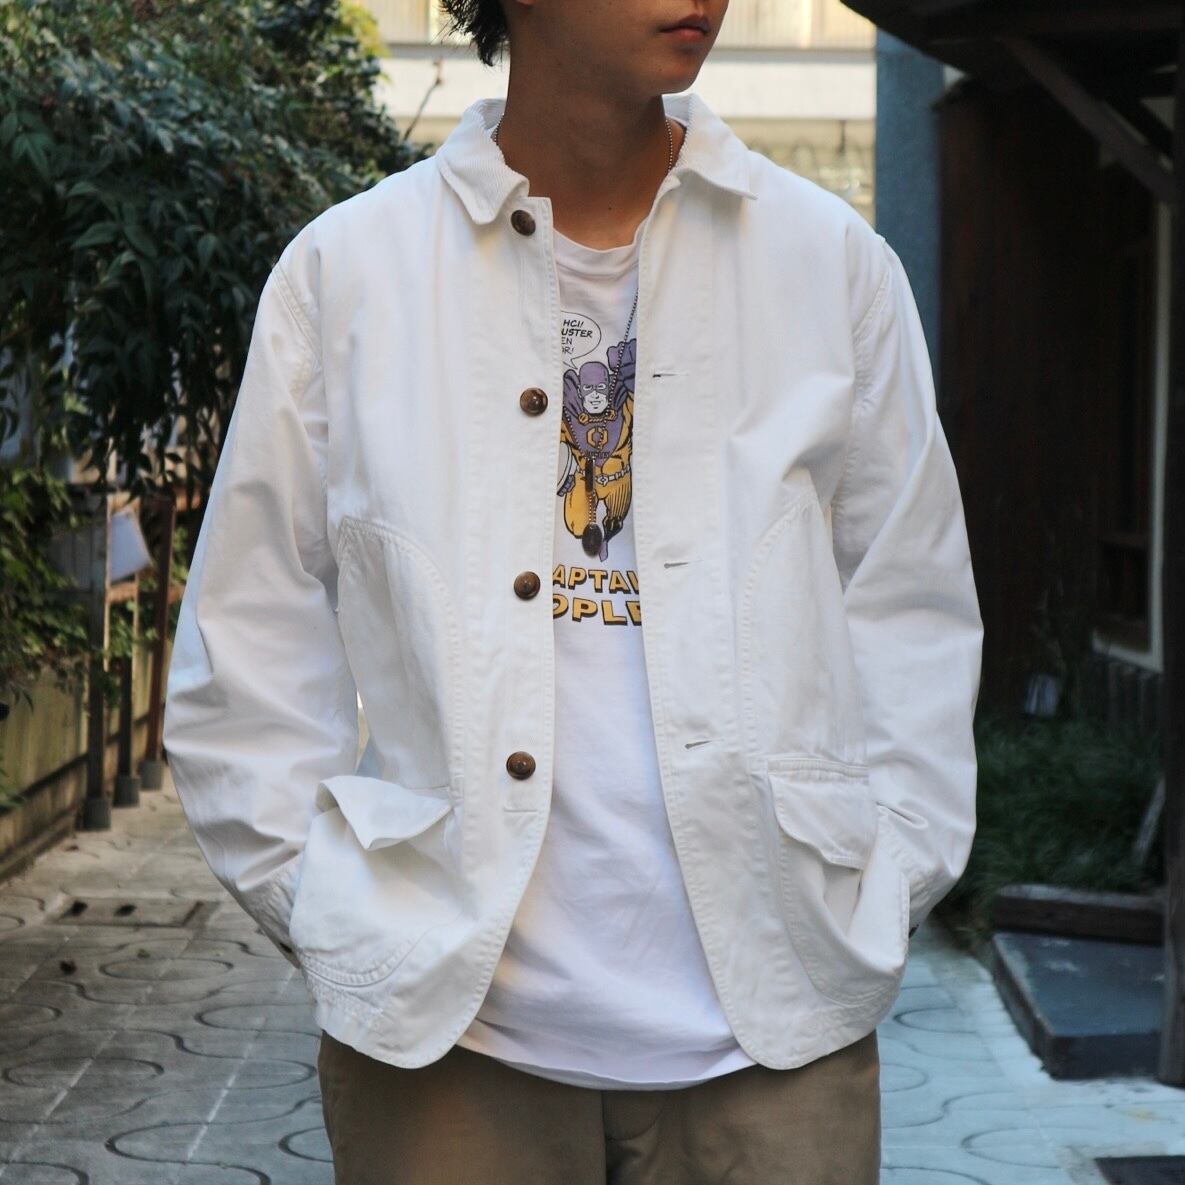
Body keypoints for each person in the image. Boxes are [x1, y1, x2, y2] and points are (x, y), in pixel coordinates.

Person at [162, 0, 985, 1181]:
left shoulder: (830, 268)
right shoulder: (349, 277)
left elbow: (910, 605)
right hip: (448, 1049)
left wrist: (883, 885)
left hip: (776, 1040)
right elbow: (247, 642)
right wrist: (340, 919)